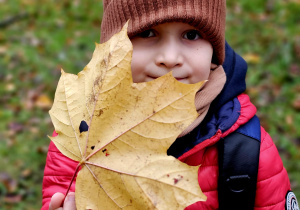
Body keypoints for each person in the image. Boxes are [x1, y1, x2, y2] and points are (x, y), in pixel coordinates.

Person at [42, 0, 298, 209]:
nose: (170, 58)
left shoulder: (246, 149)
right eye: (147, 33)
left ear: (213, 53)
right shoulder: (82, 138)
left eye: (191, 35)